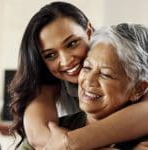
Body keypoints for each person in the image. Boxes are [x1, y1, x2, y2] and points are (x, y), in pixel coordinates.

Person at [9, 1, 148, 150]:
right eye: (50, 55)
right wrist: (67, 143)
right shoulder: (46, 87)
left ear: (89, 33)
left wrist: (71, 142)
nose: (66, 61)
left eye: (72, 43)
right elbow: (41, 138)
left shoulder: (124, 53)